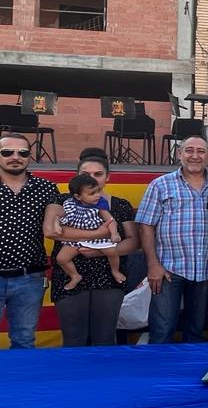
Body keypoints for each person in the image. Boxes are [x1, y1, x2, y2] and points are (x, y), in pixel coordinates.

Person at [44, 153, 140, 347]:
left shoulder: (119, 204)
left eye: (98, 174)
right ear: (76, 177)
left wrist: (98, 250)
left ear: (107, 177)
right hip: (70, 275)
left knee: (105, 337)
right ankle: (75, 377)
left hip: (108, 278)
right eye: (85, 173)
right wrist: (97, 235)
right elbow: (52, 231)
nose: (91, 178)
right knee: (73, 337)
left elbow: (133, 242)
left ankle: (104, 377)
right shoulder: (62, 200)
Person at [136, 135, 208, 344]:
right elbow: (146, 225)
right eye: (189, 150)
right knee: (163, 329)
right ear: (179, 154)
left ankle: (190, 375)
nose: (195, 156)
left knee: (195, 330)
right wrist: (153, 265)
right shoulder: (160, 185)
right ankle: (159, 375)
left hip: (206, 269)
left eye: (201, 151)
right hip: (168, 270)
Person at [0, 133, 58, 349]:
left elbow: (56, 224)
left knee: (24, 340)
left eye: (22, 152)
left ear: (29, 156)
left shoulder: (46, 188)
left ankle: (18, 383)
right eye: (7, 152)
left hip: (29, 278)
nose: (15, 156)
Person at [51, 174, 123, 290]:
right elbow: (57, 215)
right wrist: (56, 225)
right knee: (61, 259)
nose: (97, 195)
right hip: (77, 237)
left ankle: (115, 271)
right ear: (78, 196)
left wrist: (114, 233)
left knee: (112, 252)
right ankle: (75, 276)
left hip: (97, 236)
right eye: (92, 193)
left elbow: (111, 221)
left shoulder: (100, 205)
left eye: (98, 191)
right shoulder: (69, 204)